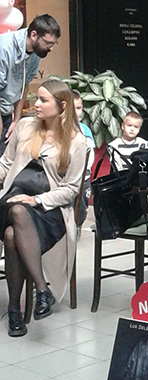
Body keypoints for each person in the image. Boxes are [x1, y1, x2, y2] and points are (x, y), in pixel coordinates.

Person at [0, 80, 87, 337]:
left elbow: (71, 189)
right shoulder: (25, 126)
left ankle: (15, 311)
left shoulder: (77, 142)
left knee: (12, 235)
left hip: (49, 211)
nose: (36, 104)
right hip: (11, 200)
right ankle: (42, 290)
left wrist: (37, 200)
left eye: (43, 100)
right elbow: (6, 164)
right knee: (17, 210)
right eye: (36, 98)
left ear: (62, 106)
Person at [0, 14, 61, 155]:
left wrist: (16, 120)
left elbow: (25, 85)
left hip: (7, 111)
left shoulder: (36, 52)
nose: (51, 48)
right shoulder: (4, 47)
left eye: (53, 44)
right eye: (48, 43)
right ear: (34, 35)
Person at [72, 91, 95, 231]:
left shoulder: (85, 130)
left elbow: (90, 154)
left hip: (83, 177)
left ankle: (78, 226)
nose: (76, 112)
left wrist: (86, 170)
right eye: (73, 108)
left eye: (79, 108)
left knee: (81, 207)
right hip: (65, 178)